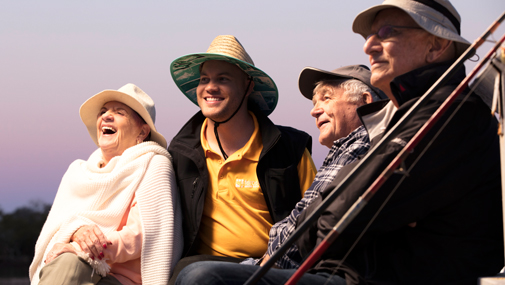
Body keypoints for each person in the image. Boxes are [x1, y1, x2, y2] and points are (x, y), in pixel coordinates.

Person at [175, 1, 504, 284]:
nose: (368, 46)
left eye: (387, 32)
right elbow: (337, 207)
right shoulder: (409, 114)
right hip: (352, 271)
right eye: (369, 36)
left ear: (435, 46)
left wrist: (333, 208)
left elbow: (343, 213)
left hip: (376, 277)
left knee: (201, 278)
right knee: (191, 271)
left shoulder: (449, 112)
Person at [167, 35, 317, 282]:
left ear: (248, 87)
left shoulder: (290, 148)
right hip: (203, 269)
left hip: (271, 269)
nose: (210, 87)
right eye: (204, 79)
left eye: (223, 79)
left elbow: (316, 216)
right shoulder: (180, 151)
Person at [29, 83, 183, 285]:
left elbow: (139, 237)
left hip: (119, 279)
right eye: (103, 112)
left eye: (119, 112)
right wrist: (76, 230)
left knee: (69, 263)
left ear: (143, 131)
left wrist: (83, 248)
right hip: (73, 267)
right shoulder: (78, 172)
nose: (106, 117)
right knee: (66, 262)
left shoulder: (154, 164)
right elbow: (57, 231)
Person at [254, 65, 385, 269]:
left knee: (198, 275)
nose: (314, 111)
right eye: (315, 102)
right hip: (284, 266)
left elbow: (309, 229)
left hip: (296, 270)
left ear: (364, 102)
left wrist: (263, 266)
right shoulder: (343, 150)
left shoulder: (361, 146)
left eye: (326, 98)